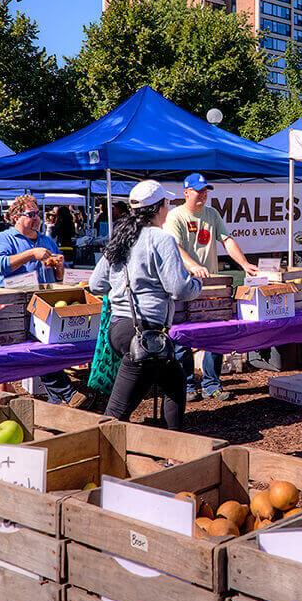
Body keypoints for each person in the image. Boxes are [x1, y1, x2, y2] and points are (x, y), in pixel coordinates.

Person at [89, 181, 201, 427]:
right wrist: (197, 285)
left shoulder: (120, 237)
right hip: (146, 333)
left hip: (119, 328)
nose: (168, 208)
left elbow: (96, 284)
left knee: (174, 382)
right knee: (115, 413)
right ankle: (101, 452)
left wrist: (121, 288)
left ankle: (171, 446)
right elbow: (179, 289)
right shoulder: (161, 239)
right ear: (159, 207)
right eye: (167, 203)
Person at [164, 173, 257, 401]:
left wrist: (244, 264)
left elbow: (227, 240)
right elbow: (174, 247)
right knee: (182, 336)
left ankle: (211, 384)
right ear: (186, 193)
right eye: (198, 191)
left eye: (205, 191)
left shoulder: (212, 214)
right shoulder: (175, 217)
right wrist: (194, 266)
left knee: (216, 334)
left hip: (211, 286)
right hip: (182, 284)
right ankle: (186, 385)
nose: (203, 195)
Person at [0, 194, 81, 406]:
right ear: (15, 217)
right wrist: (31, 254)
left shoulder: (46, 241)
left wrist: (58, 268)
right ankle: (66, 393)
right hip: (11, 306)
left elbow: (59, 277)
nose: (37, 218)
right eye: (30, 214)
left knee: (46, 348)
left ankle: (56, 401)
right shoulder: (3, 239)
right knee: (37, 347)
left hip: (43, 303)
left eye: (38, 213)